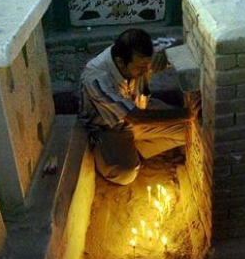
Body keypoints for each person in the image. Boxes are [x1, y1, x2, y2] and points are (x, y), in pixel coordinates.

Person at [79, 28, 199, 185]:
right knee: (125, 173)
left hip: (140, 108)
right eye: (140, 67)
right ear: (121, 62)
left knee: (191, 131)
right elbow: (135, 117)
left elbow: (182, 42)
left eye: (147, 65)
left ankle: (139, 146)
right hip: (109, 127)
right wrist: (186, 114)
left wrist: (166, 54)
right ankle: (112, 149)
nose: (146, 70)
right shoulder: (96, 78)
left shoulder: (140, 54)